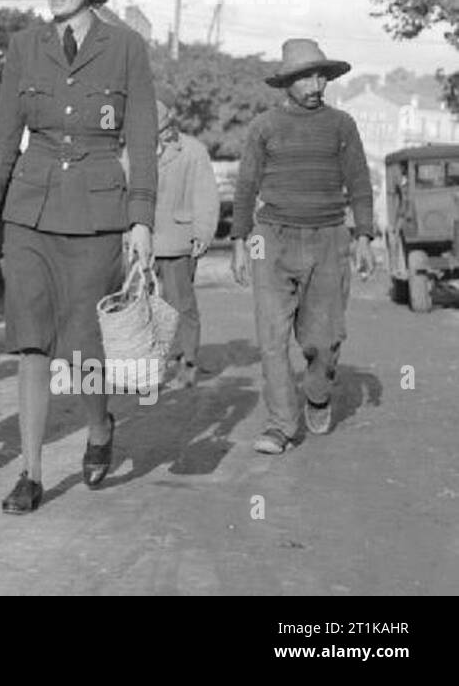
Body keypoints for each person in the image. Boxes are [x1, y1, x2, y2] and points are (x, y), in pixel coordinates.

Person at [0, 0, 156, 514]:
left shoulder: (126, 49)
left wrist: (141, 219)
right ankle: (30, 470)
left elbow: (142, 140)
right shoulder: (24, 48)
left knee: (83, 346)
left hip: (97, 214)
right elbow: (1, 139)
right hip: (30, 209)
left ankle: (98, 427)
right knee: (30, 343)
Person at [230, 39, 375, 454]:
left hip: (329, 239)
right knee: (272, 340)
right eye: (305, 77)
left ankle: (317, 393)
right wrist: (240, 241)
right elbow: (246, 188)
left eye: (320, 76)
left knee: (323, 340)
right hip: (271, 240)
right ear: (287, 84)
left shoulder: (342, 125)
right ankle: (281, 424)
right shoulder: (264, 127)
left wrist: (363, 235)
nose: (316, 84)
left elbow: (360, 183)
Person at [151, 99, 219, 389]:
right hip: (145, 241)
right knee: (148, 306)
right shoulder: (133, 151)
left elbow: (206, 196)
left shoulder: (193, 151)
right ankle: (156, 363)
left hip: (179, 241)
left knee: (181, 305)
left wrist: (203, 234)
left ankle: (187, 362)